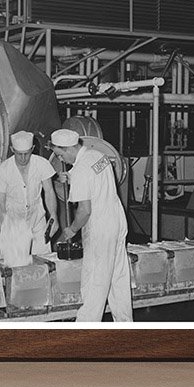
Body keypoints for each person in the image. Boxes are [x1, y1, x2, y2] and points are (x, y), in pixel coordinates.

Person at [50, 128, 133, 323]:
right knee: (117, 278)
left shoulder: (80, 170)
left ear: (69, 148)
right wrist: (69, 176)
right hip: (116, 220)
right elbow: (93, 175)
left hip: (100, 226)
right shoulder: (98, 155)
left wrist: (72, 230)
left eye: (60, 155)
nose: (61, 160)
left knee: (95, 280)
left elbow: (84, 211)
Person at [0, 131, 58, 267]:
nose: (23, 158)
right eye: (19, 154)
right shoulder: (3, 170)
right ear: (12, 149)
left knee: (44, 263)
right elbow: (0, 203)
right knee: (15, 266)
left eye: (27, 153)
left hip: (38, 221)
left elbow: (49, 192)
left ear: (32, 149)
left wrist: (53, 216)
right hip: (14, 223)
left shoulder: (42, 164)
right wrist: (5, 227)